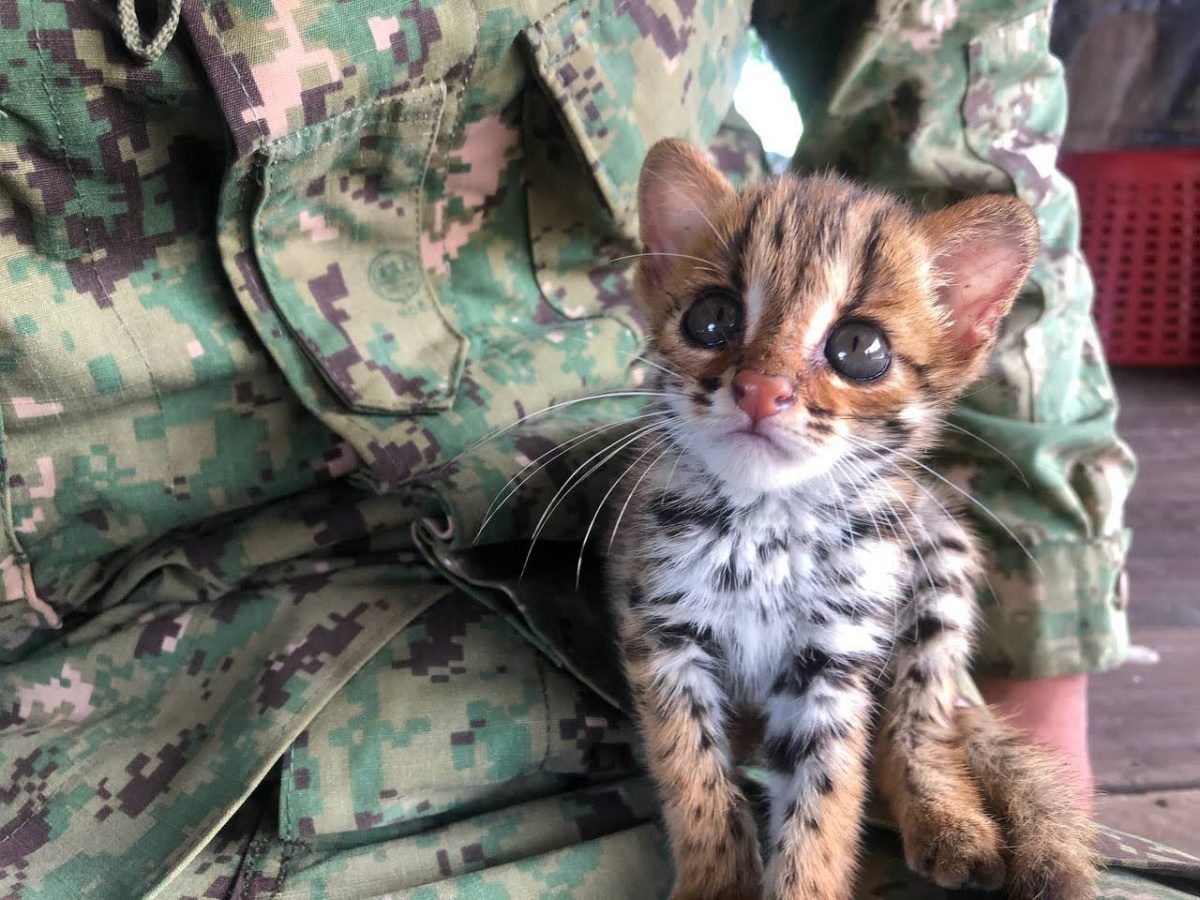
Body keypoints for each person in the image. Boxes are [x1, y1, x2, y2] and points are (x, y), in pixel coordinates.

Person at [0, 0, 1193, 897]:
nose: (771, 385)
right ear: (663, 287)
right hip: (122, 699)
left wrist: (1042, 666)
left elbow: (951, 65)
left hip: (573, 551)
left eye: (855, 352)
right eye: (720, 323)